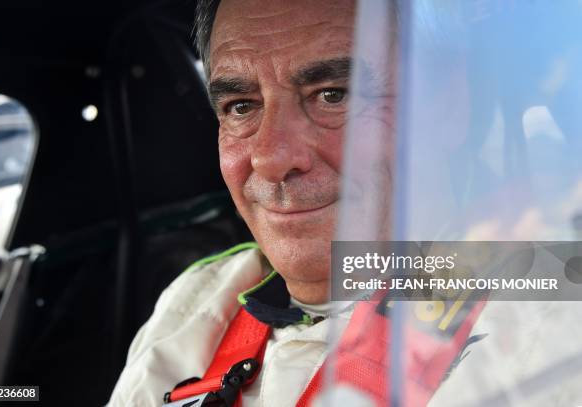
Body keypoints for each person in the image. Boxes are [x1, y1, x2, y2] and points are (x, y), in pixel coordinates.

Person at [107, 0, 396, 405]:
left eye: (333, 95)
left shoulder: (510, 328)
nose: (270, 158)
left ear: (448, 104)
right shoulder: (195, 301)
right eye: (241, 106)